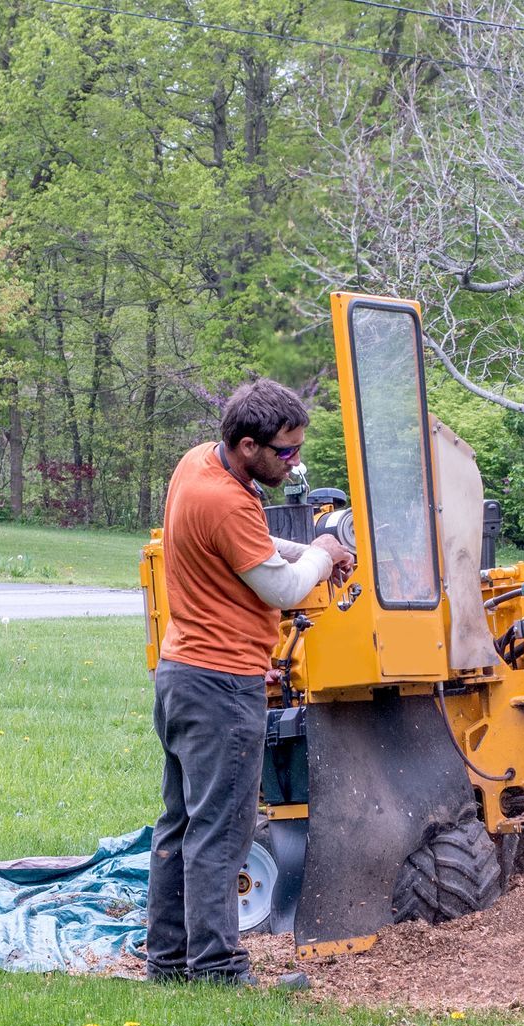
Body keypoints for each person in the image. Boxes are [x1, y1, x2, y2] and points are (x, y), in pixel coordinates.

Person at [148, 378, 353, 985]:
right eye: (283, 453)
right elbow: (284, 589)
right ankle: (217, 971)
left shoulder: (196, 467)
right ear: (246, 444)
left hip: (182, 673)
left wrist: (310, 550)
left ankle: (169, 961)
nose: (293, 465)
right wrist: (320, 553)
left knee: (179, 825)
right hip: (220, 688)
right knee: (221, 833)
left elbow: (251, 549)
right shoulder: (229, 502)